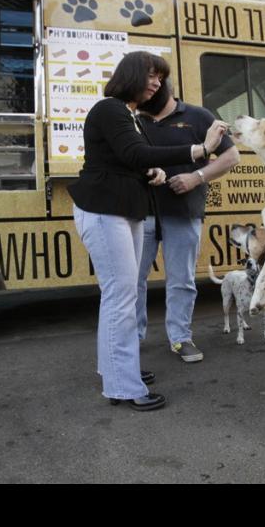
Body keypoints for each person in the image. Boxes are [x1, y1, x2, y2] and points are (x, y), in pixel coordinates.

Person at [69, 52, 228, 412]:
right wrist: (201, 149)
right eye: (152, 75)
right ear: (131, 74)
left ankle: (115, 369)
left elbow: (131, 159)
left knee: (120, 296)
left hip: (122, 210)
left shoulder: (127, 114)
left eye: (161, 77)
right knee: (121, 298)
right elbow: (134, 151)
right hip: (104, 211)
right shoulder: (110, 109)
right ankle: (123, 386)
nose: (157, 82)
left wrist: (151, 172)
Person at [135, 79, 240, 363]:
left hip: (184, 212)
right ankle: (132, 336)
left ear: (164, 89)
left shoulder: (198, 116)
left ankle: (180, 338)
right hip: (140, 212)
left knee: (181, 279)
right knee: (132, 279)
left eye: (149, 90)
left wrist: (197, 177)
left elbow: (232, 156)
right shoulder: (135, 119)